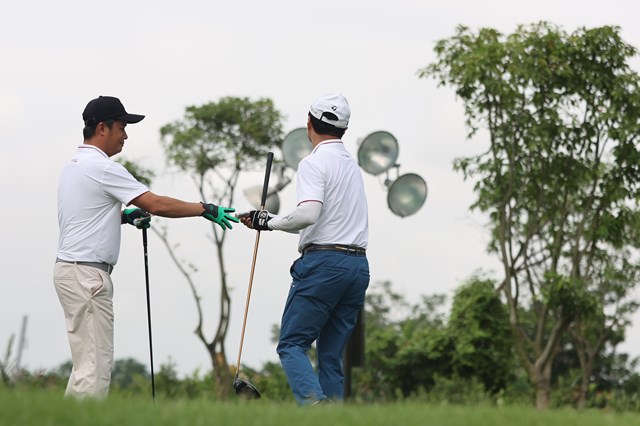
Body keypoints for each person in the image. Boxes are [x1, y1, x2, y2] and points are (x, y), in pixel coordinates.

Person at [54, 95, 239, 399]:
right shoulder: (104, 168)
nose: (125, 135)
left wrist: (124, 218)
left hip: (70, 272)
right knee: (95, 369)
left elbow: (88, 216)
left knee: (83, 366)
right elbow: (154, 203)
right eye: (122, 127)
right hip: (88, 277)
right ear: (102, 128)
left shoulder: (72, 167)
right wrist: (203, 208)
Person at [241, 93, 370, 405]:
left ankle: (317, 409)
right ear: (344, 129)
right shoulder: (352, 167)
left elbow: (308, 214)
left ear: (310, 124)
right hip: (358, 268)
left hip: (325, 264)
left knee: (292, 344)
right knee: (330, 355)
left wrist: (267, 222)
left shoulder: (313, 163)